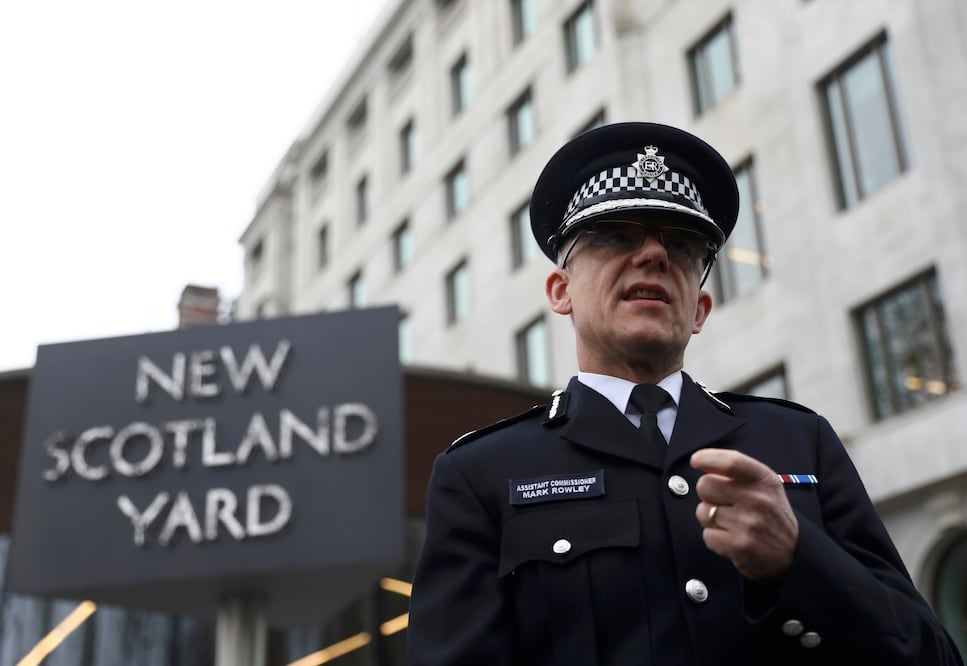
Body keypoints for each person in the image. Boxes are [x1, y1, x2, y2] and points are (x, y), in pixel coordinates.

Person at [406, 122, 962, 665]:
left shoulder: (800, 440)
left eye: (681, 243)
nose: (653, 255)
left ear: (698, 309)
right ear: (560, 290)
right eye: (616, 235)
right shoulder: (480, 474)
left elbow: (929, 652)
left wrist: (798, 560)